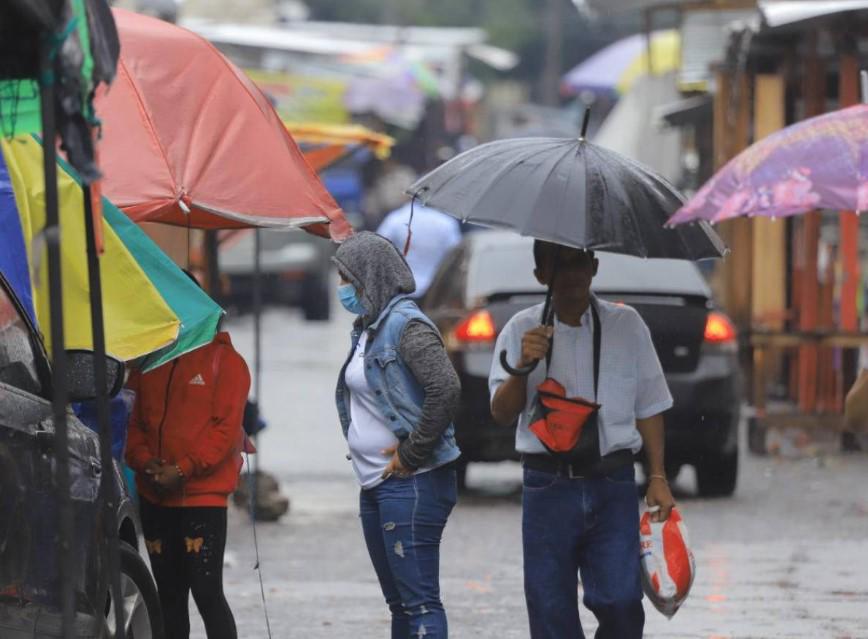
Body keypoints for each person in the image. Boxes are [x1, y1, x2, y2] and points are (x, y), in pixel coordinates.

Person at [489, 241, 676, 639]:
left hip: (613, 483)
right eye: (559, 264)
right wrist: (523, 366)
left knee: (623, 602)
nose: (571, 274)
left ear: (594, 266)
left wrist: (658, 477)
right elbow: (501, 413)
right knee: (549, 609)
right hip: (547, 486)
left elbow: (651, 404)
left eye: (579, 262)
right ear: (540, 274)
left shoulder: (627, 325)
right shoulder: (520, 329)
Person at [333, 231, 462, 639]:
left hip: (411, 483)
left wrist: (412, 452)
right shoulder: (367, 329)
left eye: (346, 279)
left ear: (369, 277)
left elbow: (446, 388)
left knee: (420, 602)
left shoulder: (406, 325)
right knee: (401, 605)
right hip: (375, 482)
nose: (341, 289)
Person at [125, 284, 250, 639]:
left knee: (207, 592)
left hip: (202, 499)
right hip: (154, 495)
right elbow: (133, 421)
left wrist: (183, 470)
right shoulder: (149, 361)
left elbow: (225, 432)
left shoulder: (226, 363)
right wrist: (147, 463)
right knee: (168, 596)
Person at [377, 200, 462, 299]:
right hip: (434, 292)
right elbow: (456, 256)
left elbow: (377, 248)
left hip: (400, 289)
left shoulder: (396, 218)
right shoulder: (446, 223)